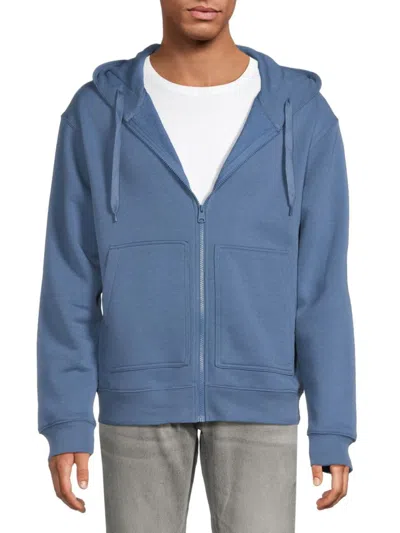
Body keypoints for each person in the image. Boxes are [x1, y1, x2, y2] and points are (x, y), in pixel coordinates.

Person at [37, 1, 356, 531]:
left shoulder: (302, 113)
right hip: (136, 395)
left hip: (261, 394)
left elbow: (322, 284)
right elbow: (69, 274)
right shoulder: (95, 114)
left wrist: (333, 425)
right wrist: (66, 417)